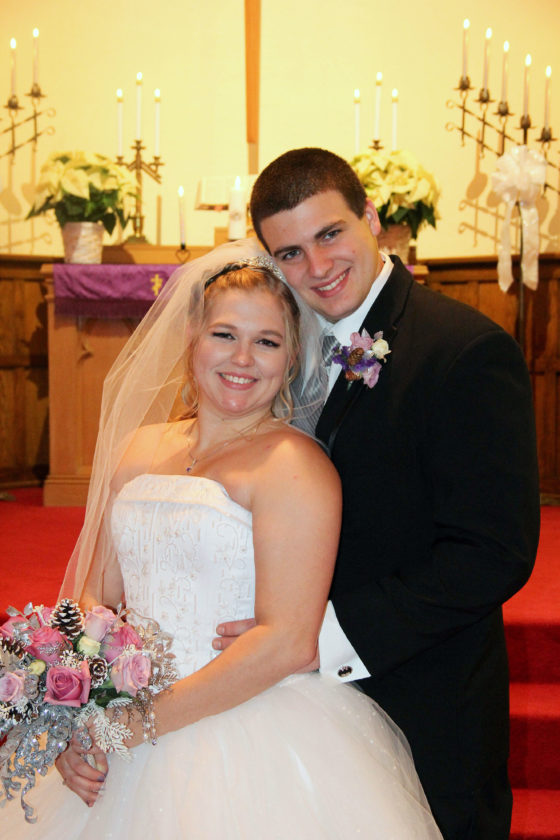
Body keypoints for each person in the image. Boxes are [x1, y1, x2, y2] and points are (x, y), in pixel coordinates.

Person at [3, 240, 442, 839]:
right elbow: (94, 599)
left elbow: (287, 642)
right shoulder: (139, 449)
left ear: (292, 357)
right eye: (225, 334)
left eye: (267, 342)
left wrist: (134, 726)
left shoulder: (294, 466)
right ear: (192, 336)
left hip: (244, 722)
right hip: (119, 720)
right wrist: (75, 717)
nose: (242, 358)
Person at [214, 148, 541, 839]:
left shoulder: (463, 350)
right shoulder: (276, 344)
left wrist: (319, 636)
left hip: (422, 699)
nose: (317, 266)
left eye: (330, 233)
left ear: (369, 217)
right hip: (286, 710)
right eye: (291, 253)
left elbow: (493, 553)